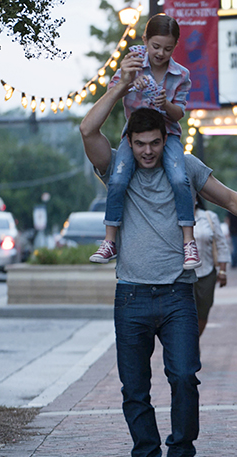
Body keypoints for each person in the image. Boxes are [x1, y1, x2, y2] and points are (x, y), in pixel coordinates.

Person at [80, 96, 237, 457]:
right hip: (130, 294)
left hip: (178, 293)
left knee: (184, 378)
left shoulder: (184, 167)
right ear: (129, 141)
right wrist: (120, 85)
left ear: (166, 140)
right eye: (140, 143)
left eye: (155, 142)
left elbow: (229, 198)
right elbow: (87, 130)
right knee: (134, 390)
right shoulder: (115, 166)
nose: (148, 151)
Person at [90, 14, 199, 269]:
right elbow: (113, 92)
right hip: (135, 134)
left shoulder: (181, 74)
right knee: (117, 178)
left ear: (175, 46)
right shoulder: (133, 63)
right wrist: (129, 82)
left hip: (167, 134)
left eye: (168, 48)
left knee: (179, 178)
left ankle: (188, 242)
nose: (161, 53)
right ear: (145, 41)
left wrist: (166, 104)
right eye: (156, 46)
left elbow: (179, 113)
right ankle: (109, 241)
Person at [193, 197, 230, 336]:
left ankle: (195, 341)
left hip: (206, 273)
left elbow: (221, 244)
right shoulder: (173, 216)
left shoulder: (209, 217)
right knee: (185, 315)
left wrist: (223, 271)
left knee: (203, 312)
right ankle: (190, 345)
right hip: (182, 276)